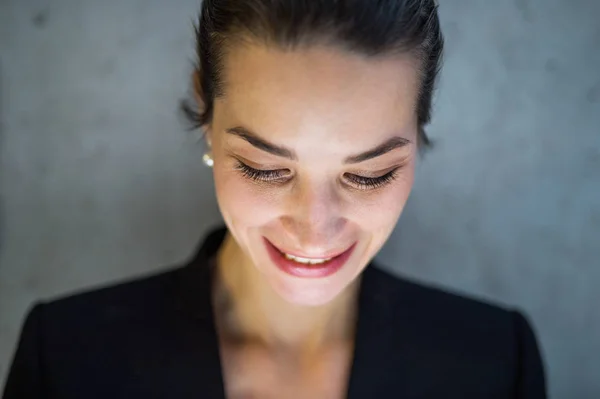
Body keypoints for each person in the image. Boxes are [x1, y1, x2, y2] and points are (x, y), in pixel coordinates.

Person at [3, 0, 547, 398]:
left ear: (420, 130)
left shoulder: (493, 364)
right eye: (264, 168)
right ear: (207, 117)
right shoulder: (70, 362)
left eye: (369, 175)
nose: (315, 229)